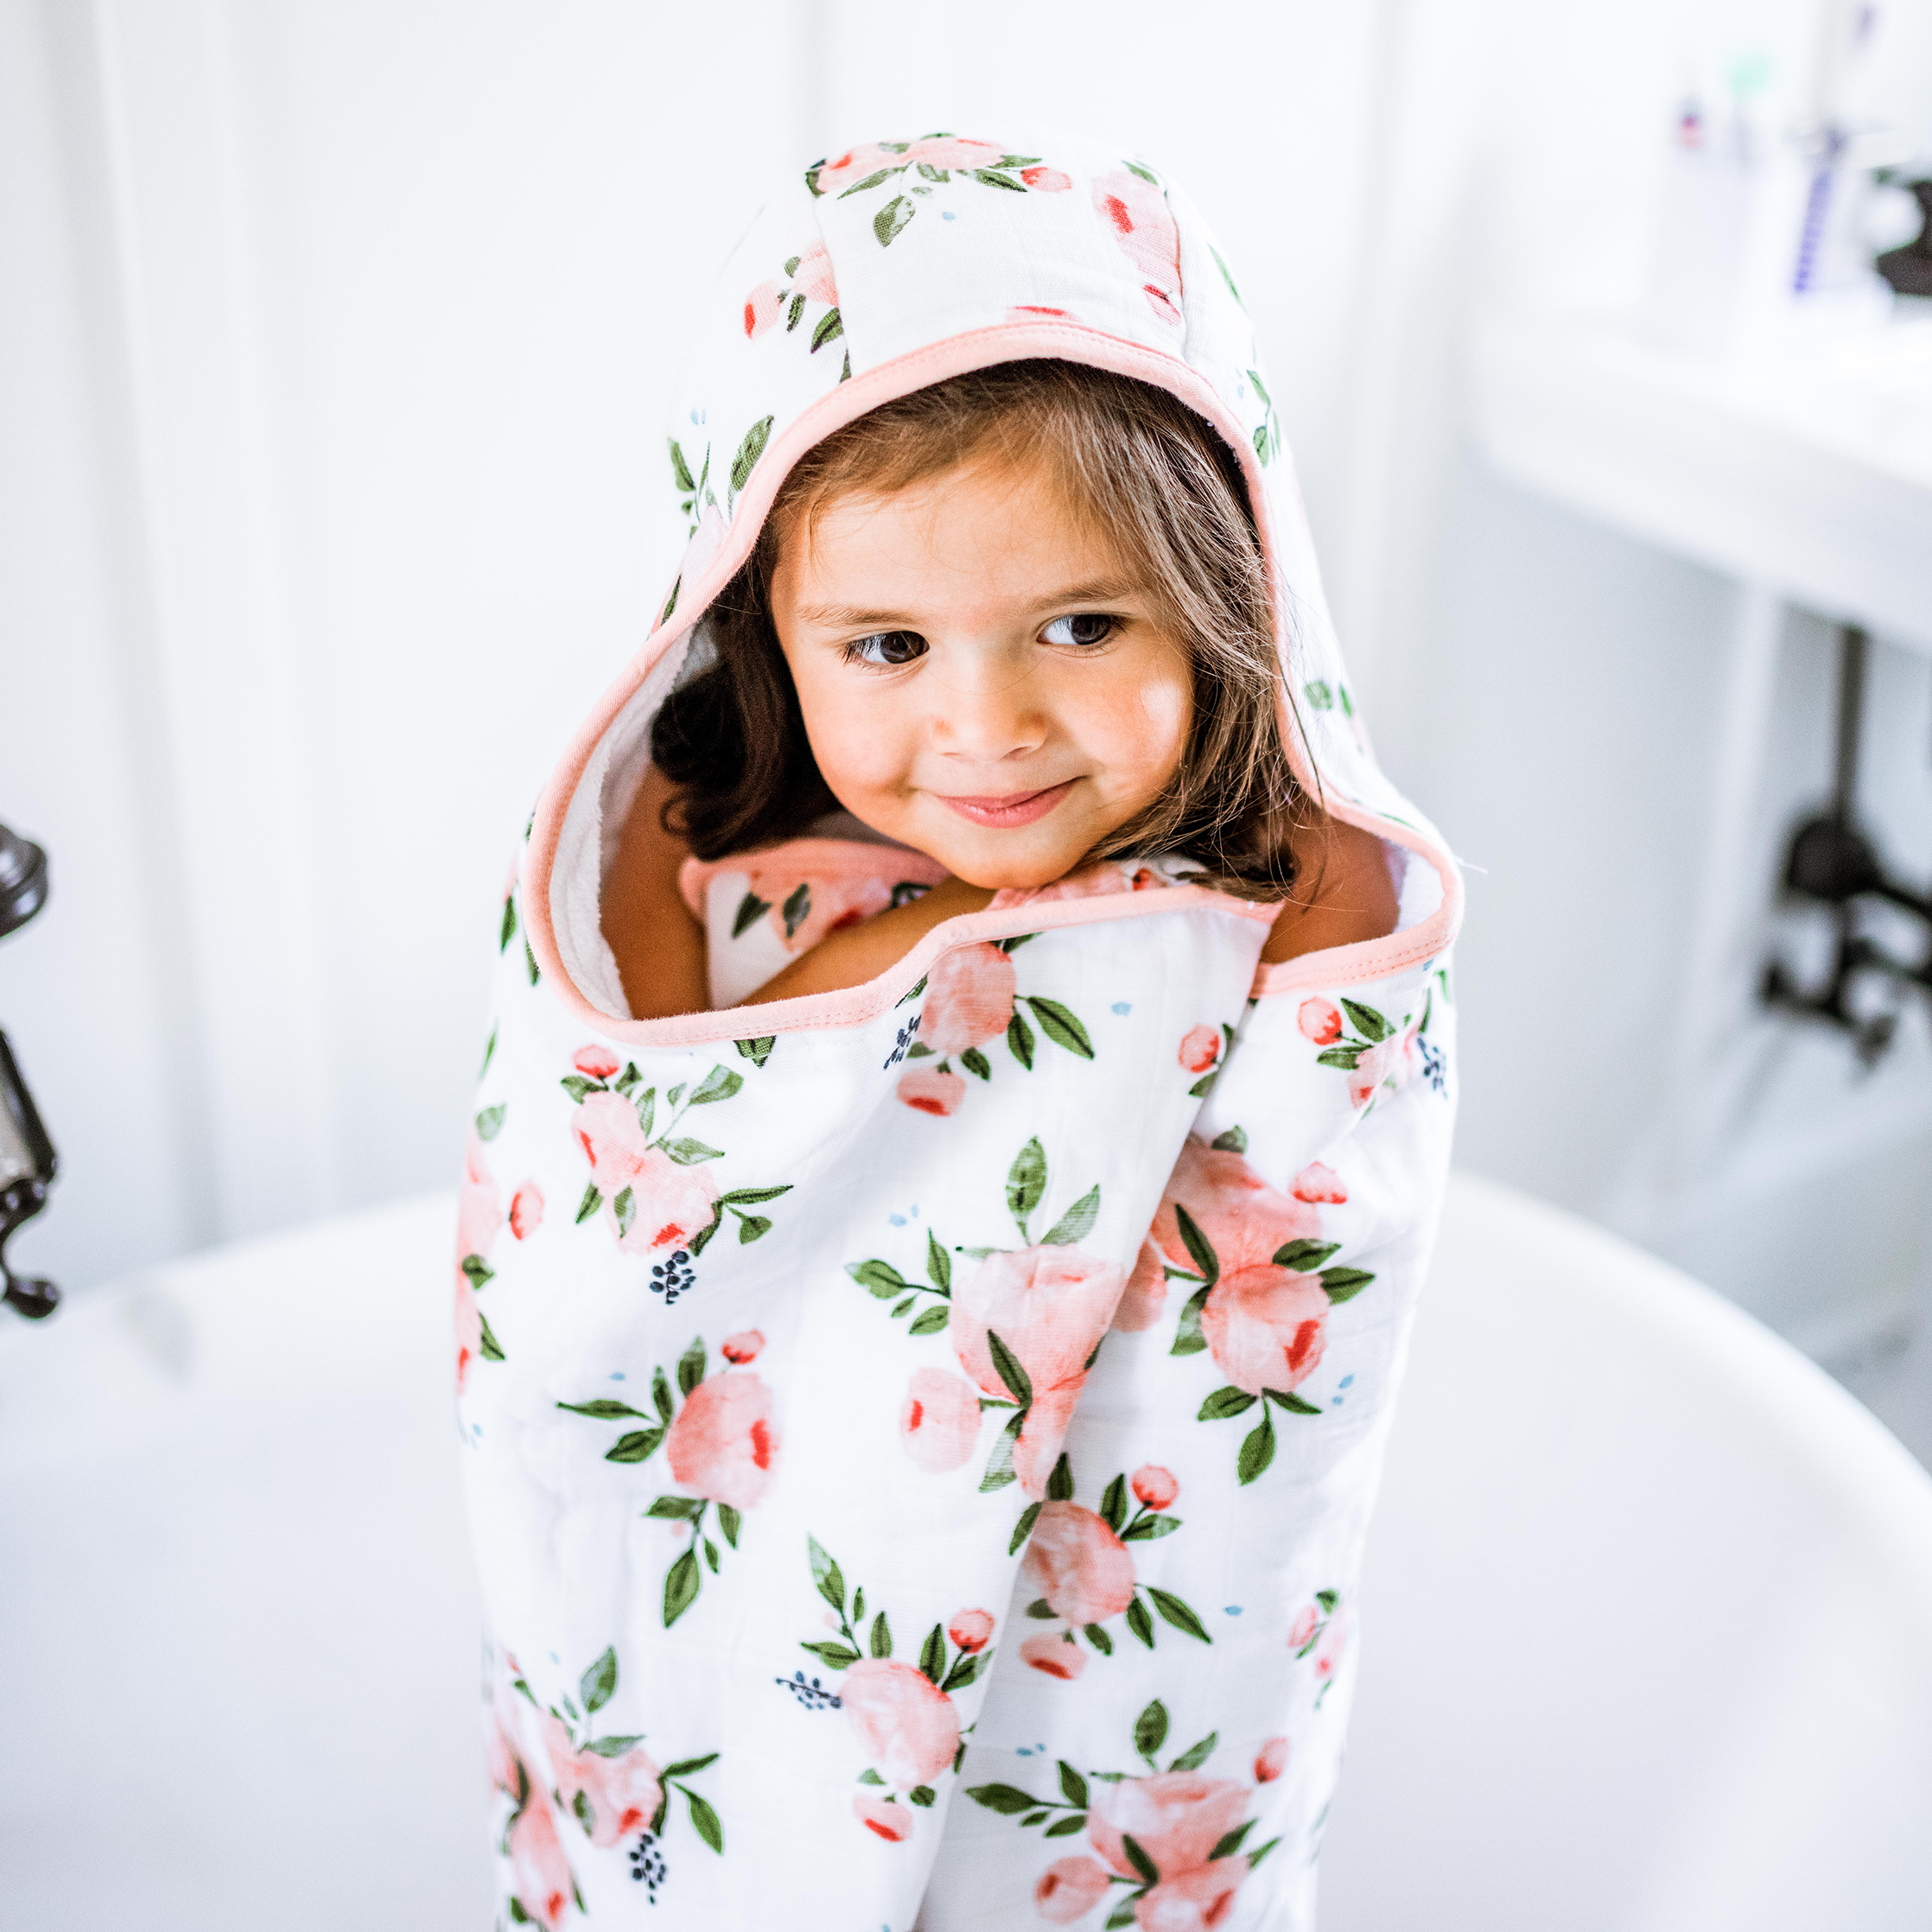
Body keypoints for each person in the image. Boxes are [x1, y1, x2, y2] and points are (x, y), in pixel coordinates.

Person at [457, 130, 1461, 1932]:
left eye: (1080, 623)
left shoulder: (1270, 916)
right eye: (887, 646)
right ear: (759, 617)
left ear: (1236, 601)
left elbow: (1297, 1258)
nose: (986, 725)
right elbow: (615, 1208)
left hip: (1065, 1718)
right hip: (773, 1655)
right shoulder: (714, 864)